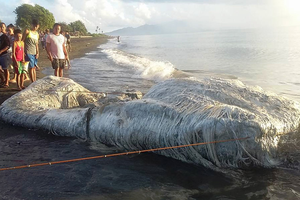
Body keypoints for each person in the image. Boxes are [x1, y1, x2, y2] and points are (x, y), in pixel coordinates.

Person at [0, 22, 11, 88]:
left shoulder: (4, 36)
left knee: (5, 69)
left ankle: (7, 82)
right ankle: (2, 79)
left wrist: (1, 51)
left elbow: (8, 46)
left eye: (2, 27)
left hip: (4, 54)